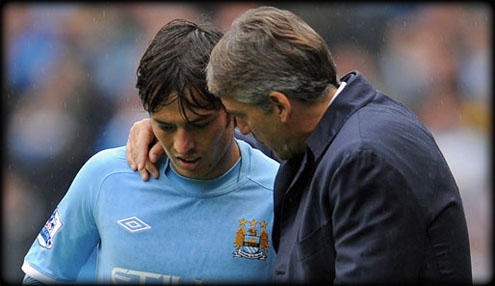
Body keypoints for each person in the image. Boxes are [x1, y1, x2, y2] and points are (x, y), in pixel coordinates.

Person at [126, 6, 472, 284]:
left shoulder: (364, 161)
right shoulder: (352, 125)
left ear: (279, 106)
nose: (239, 129)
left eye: (240, 115)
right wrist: (173, 129)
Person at [21, 19, 279, 285]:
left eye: (199, 125)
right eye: (165, 126)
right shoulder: (104, 177)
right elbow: (43, 277)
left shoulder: (279, 193)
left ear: (231, 108)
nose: (183, 145)